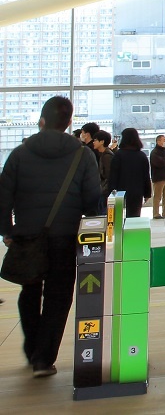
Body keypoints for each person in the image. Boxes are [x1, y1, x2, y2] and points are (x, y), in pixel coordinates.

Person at [0, 95, 103, 377]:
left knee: (29, 289)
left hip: (27, 235)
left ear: (41, 121)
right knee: (58, 296)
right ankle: (43, 359)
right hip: (64, 236)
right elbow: (92, 201)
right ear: (70, 122)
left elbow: (3, 198)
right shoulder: (83, 155)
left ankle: (33, 347)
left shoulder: (19, 154)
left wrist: (7, 231)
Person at [106, 128, 152, 218]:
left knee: (117, 218)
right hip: (137, 191)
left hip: (119, 192)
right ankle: (132, 232)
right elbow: (146, 176)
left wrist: (111, 192)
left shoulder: (118, 155)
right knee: (134, 218)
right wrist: (147, 193)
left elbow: (113, 175)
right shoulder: (141, 156)